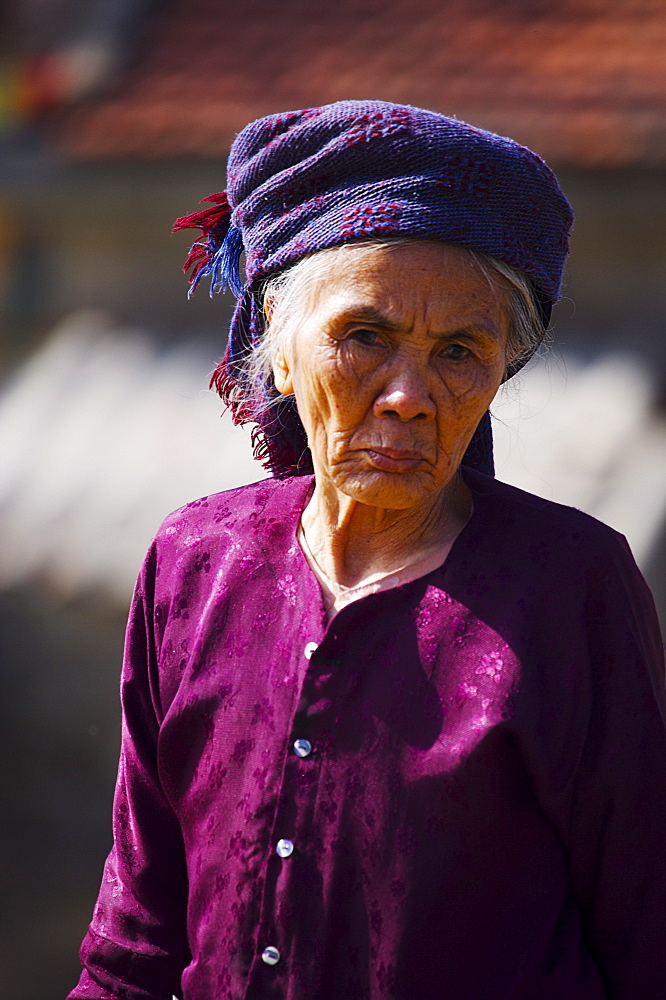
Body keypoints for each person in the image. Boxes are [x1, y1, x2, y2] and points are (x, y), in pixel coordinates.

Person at [68, 101, 666, 1000]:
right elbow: (135, 944)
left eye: (460, 351)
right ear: (277, 346)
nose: (409, 396)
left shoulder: (570, 586)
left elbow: (647, 937)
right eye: (364, 338)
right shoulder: (195, 562)